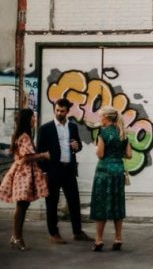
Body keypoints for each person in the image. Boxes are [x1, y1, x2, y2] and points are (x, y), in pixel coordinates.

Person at [37, 98, 91, 243]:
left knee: (74, 201)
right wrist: (44, 172)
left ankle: (77, 232)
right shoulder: (45, 128)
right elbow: (40, 152)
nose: (59, 113)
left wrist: (77, 146)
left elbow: (78, 146)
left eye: (62, 111)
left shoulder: (72, 127)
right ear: (55, 109)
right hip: (53, 171)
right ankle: (53, 234)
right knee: (52, 203)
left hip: (69, 170)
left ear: (67, 111)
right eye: (57, 110)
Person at [0, 108, 49, 251]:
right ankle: (16, 237)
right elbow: (25, 158)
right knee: (21, 206)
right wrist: (43, 155)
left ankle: (16, 237)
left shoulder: (23, 135)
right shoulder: (25, 136)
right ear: (27, 120)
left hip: (24, 173)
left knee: (23, 206)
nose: (34, 120)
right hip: (23, 174)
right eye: (32, 117)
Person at [90, 107, 132, 251]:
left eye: (100, 116)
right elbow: (129, 155)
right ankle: (118, 238)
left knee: (101, 204)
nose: (99, 119)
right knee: (117, 204)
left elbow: (100, 154)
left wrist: (97, 148)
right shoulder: (122, 133)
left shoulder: (103, 133)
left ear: (107, 118)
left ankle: (99, 239)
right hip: (118, 171)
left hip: (104, 171)